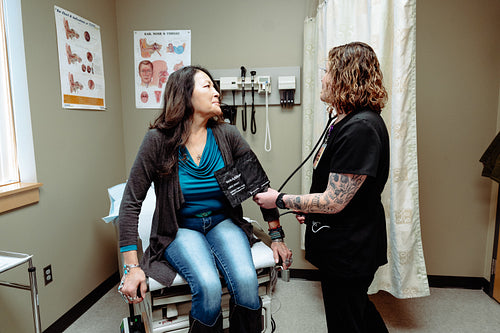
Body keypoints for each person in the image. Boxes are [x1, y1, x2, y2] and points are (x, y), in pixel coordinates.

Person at [118, 65, 292, 333]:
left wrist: (277, 237)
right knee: (209, 287)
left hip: (222, 222)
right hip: (180, 229)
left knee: (247, 282)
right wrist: (132, 268)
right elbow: (130, 202)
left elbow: (260, 187)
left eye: (215, 86)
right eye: (207, 86)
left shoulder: (228, 135)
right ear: (185, 96)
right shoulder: (157, 141)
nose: (216, 92)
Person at [254, 42, 389, 333]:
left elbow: (334, 201)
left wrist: (281, 200)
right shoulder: (344, 121)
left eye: (328, 71)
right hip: (341, 242)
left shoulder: (361, 128)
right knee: (357, 311)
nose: (323, 77)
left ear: (345, 76)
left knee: (346, 319)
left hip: (351, 248)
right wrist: (307, 208)